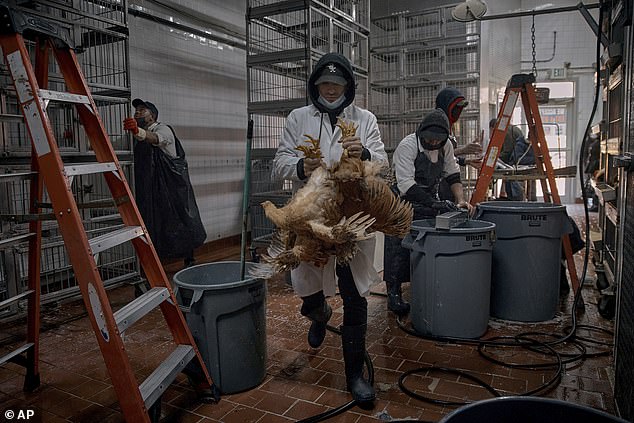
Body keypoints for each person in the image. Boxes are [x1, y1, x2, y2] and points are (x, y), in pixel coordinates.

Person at [271, 52, 386, 403]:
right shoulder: (298, 117)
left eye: (337, 84)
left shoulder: (364, 118)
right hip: (311, 218)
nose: (331, 90)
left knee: (354, 294)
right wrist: (302, 167)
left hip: (352, 217)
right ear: (315, 86)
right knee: (305, 284)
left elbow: (382, 161)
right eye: (325, 84)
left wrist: (364, 154)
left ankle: (354, 375)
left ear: (348, 87)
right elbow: (279, 164)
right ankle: (318, 313)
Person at [383, 109, 474, 316]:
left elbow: (452, 174)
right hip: (401, 202)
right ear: (421, 133)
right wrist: (435, 204)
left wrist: (460, 200)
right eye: (429, 140)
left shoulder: (446, 146)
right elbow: (406, 184)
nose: (433, 143)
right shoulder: (407, 146)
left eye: (437, 141)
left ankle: (424, 285)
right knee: (397, 247)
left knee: (426, 243)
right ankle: (394, 294)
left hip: (428, 200)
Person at [123, 99, 206, 269]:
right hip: (150, 188)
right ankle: (155, 261)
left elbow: (157, 139)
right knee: (155, 221)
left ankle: (189, 257)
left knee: (182, 217)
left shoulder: (163, 129)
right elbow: (116, 147)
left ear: (152, 116)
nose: (137, 113)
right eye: (136, 111)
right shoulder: (134, 136)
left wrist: (137, 131)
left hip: (173, 186)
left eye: (142, 110)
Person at [434, 87, 483, 201]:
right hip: (437, 184)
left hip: (448, 181)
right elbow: (434, 154)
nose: (458, 112)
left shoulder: (449, 126)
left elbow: (449, 156)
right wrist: (463, 150)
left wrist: (466, 161)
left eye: (460, 108)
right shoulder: (436, 126)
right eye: (456, 108)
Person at [488, 118, 535, 201]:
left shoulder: (507, 132)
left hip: (515, 165)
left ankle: (515, 200)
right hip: (517, 164)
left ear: (494, 127)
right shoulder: (511, 129)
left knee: (514, 186)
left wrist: (494, 160)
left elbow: (507, 152)